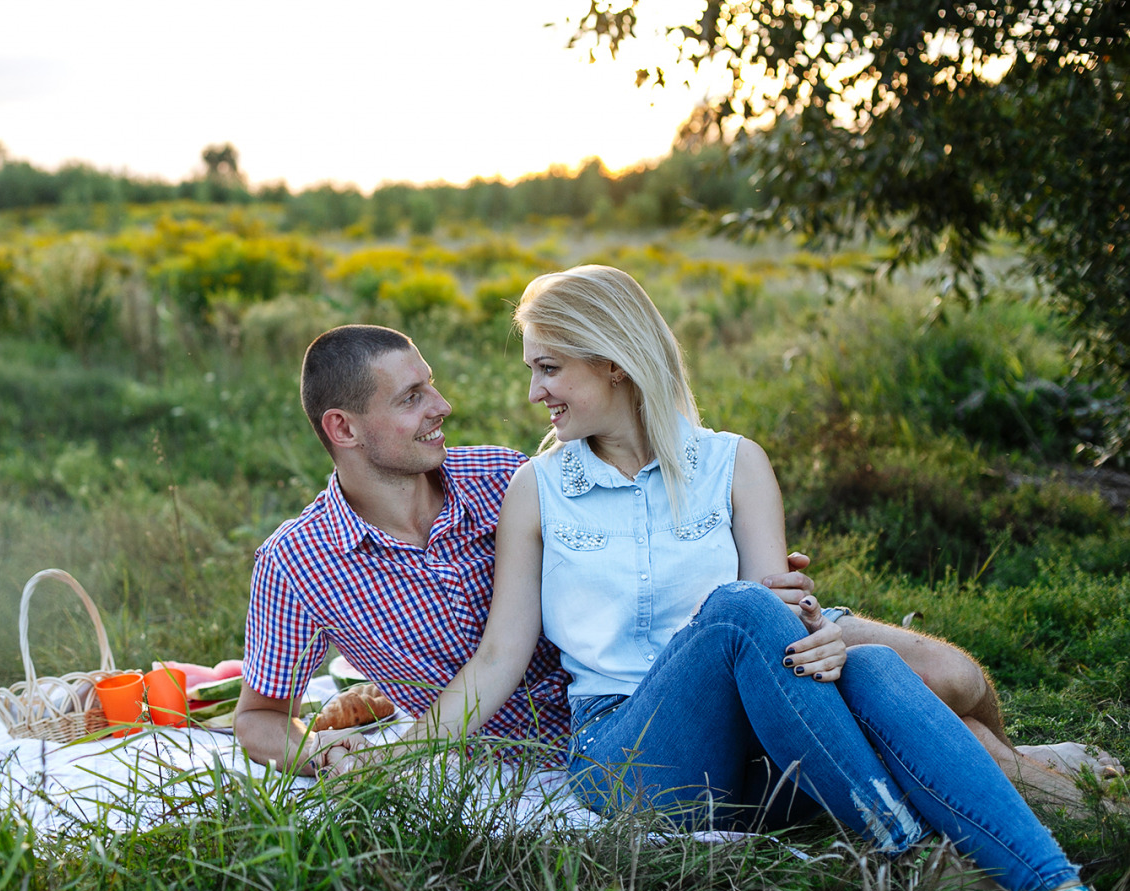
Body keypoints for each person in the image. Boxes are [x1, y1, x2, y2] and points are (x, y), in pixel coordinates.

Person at [323, 267, 1117, 891]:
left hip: (759, 746)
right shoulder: (538, 490)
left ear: (614, 363)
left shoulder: (736, 464)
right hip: (628, 754)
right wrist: (401, 749)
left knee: (867, 662)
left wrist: (823, 639)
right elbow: (499, 658)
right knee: (740, 609)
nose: (535, 394)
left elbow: (784, 615)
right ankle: (908, 852)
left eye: (550, 369)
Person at [232, 324, 1121, 810]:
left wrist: (743, 562)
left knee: (957, 674)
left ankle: (1025, 756)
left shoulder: (506, 474)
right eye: (413, 396)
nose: (443, 406)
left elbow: (648, 494)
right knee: (953, 746)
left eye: (432, 384)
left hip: (708, 631)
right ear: (342, 429)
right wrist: (329, 758)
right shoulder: (297, 563)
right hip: (614, 719)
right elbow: (261, 720)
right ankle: (1036, 787)